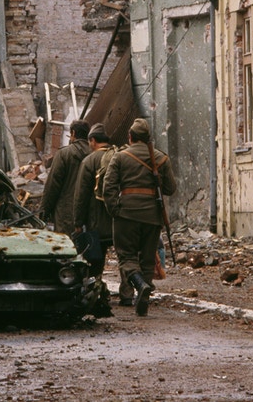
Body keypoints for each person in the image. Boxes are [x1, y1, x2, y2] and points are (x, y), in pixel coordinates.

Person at [103, 117, 176, 316]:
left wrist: (114, 209)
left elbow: (108, 186)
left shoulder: (120, 157)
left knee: (126, 255)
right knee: (147, 260)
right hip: (152, 216)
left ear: (130, 136)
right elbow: (170, 188)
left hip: (126, 214)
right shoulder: (161, 158)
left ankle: (139, 283)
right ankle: (143, 296)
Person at [72, 123, 134, 304]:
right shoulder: (121, 156)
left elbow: (81, 195)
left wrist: (78, 221)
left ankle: (96, 291)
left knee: (95, 260)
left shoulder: (89, 161)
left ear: (92, 141)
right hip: (120, 218)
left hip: (96, 222)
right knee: (125, 257)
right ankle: (127, 294)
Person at [41, 119, 91, 234]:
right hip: (89, 213)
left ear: (73, 133)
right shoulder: (94, 154)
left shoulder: (64, 154)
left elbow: (52, 186)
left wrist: (44, 212)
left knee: (66, 247)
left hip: (66, 213)